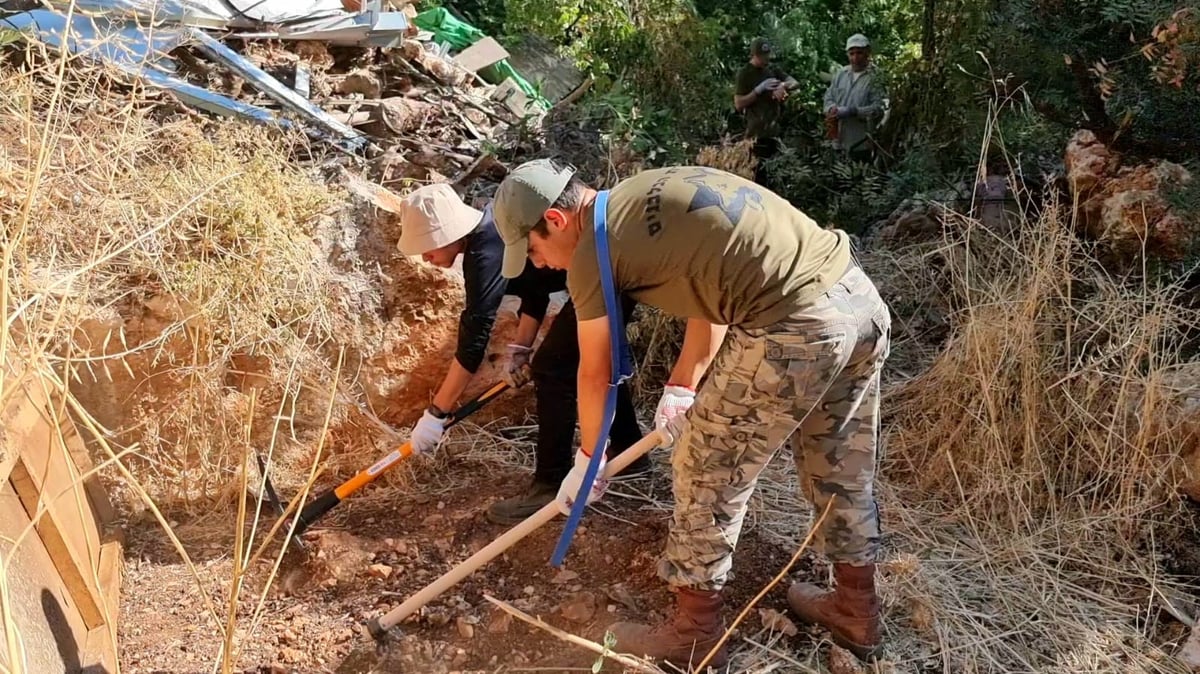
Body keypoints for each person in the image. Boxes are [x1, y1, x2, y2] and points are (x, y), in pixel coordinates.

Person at [493, 160, 892, 667]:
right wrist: (684, 383)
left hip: (795, 324)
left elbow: (594, 370)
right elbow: (713, 282)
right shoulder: (642, 195)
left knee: (705, 467)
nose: (542, 265)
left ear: (554, 219)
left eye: (533, 250)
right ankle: (856, 608)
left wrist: (589, 459)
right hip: (856, 301)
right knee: (839, 462)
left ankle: (695, 634)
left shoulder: (591, 252)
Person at [396, 182, 649, 525]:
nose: (424, 256)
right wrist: (520, 349)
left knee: (553, 370)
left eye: (426, 245)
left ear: (447, 233)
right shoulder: (489, 232)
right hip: (608, 266)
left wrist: (437, 413)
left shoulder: (484, 253)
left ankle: (550, 483)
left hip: (601, 270)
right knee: (579, 360)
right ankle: (632, 452)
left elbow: (473, 340)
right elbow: (536, 287)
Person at [733, 37, 799, 184]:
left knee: (776, 177)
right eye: (762, 56)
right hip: (755, 135)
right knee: (757, 179)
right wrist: (758, 90)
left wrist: (782, 86)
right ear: (753, 55)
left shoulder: (773, 69)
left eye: (767, 55)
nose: (766, 59)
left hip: (774, 132)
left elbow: (794, 82)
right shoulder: (745, 74)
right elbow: (738, 104)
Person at [823, 34, 887, 164]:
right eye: (852, 53)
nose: (855, 58)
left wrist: (854, 111)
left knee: (860, 179)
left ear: (868, 53)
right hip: (838, 140)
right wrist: (831, 109)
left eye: (859, 53)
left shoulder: (876, 77)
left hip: (862, 143)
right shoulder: (841, 74)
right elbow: (828, 98)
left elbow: (880, 108)